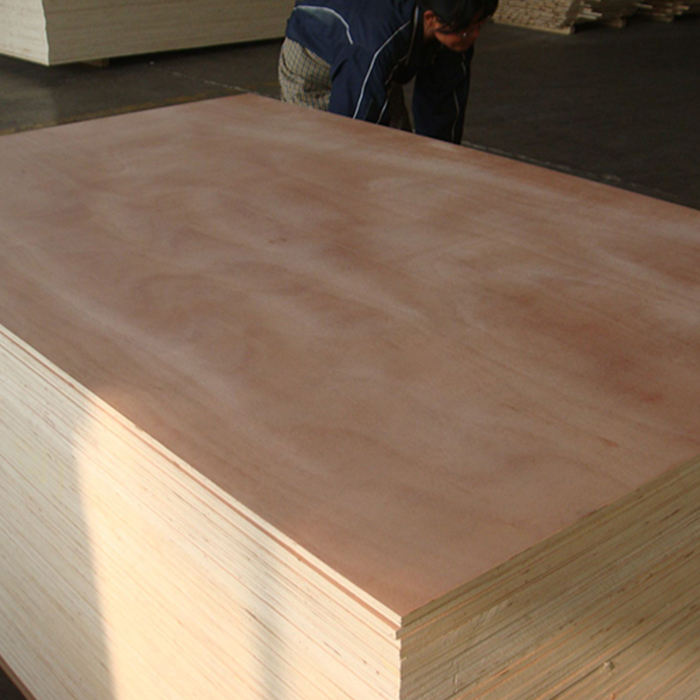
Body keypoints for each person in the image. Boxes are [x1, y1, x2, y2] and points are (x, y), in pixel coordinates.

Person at [278, 0, 499, 144]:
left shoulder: (456, 26)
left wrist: (440, 164)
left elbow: (443, 109)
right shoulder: (374, 44)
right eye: (468, 30)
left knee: (398, 147)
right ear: (431, 18)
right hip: (314, 63)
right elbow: (351, 129)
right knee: (321, 153)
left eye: (480, 25)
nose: (475, 35)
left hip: (368, 52)